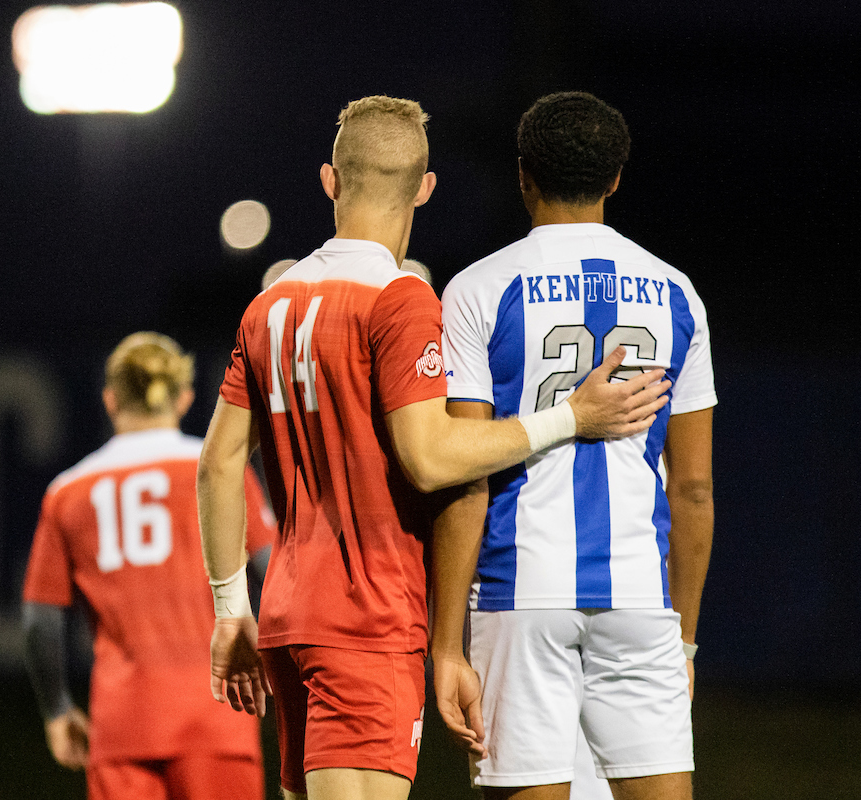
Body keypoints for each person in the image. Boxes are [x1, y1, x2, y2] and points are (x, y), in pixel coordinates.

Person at [198, 94, 672, 800]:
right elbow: (430, 456)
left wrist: (229, 608)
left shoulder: (268, 304)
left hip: (287, 618)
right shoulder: (401, 299)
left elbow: (217, 464)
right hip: (367, 618)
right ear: (424, 188)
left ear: (330, 179)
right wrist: (570, 416)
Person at [432, 91, 717, 800]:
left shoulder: (478, 289)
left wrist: (444, 644)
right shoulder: (677, 292)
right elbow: (694, 490)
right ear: (616, 178)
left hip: (518, 592)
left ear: (523, 174)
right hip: (639, 596)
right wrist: (682, 637)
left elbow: (465, 470)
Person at [22, 331, 277, 800]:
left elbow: (40, 616)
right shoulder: (217, 471)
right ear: (184, 398)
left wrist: (57, 709)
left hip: (122, 724)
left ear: (110, 399)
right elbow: (276, 572)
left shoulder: (68, 491)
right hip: (218, 716)